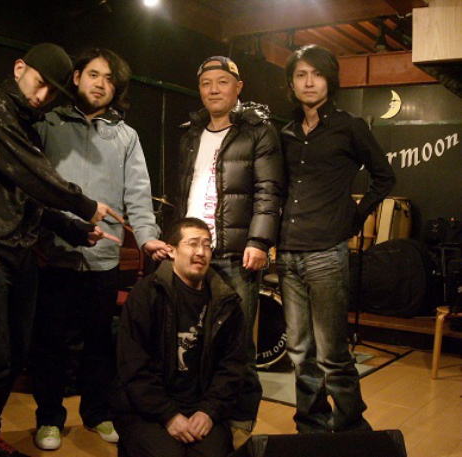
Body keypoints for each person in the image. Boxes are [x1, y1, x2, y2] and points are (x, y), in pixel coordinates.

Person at [0, 43, 122, 457]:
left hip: (17, 253)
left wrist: (75, 229)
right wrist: (84, 205)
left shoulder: (26, 121)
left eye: (51, 92)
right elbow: (32, 174)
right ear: (19, 68)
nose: (42, 96)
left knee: (13, 356)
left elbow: (25, 197)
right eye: (39, 83)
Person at [29, 47, 169, 450]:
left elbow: (138, 195)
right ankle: (49, 419)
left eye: (110, 79)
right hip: (54, 254)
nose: (101, 84)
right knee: (51, 343)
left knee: (100, 343)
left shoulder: (126, 136)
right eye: (94, 74)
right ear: (76, 77)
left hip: (104, 258)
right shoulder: (47, 124)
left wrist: (147, 237)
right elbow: (32, 186)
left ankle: (97, 413)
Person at [277, 44, 395, 433]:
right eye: (301, 75)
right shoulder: (286, 132)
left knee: (331, 353)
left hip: (326, 252)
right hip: (288, 251)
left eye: (317, 74)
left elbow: (385, 177)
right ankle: (310, 426)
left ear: (330, 80)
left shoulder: (349, 126)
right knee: (299, 351)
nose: (309, 82)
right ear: (291, 83)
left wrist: (354, 218)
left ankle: (350, 430)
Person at [176, 55, 284, 432]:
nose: (214, 90)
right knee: (192, 339)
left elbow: (269, 190)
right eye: (206, 83)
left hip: (236, 253)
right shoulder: (190, 133)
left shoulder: (258, 132)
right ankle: (202, 412)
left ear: (238, 88)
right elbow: (182, 191)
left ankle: (240, 419)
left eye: (222, 82)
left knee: (237, 343)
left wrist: (259, 241)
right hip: (192, 251)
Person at [112, 217, 260, 457]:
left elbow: (232, 367)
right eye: (192, 244)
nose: (201, 252)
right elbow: (132, 365)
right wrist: (168, 415)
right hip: (148, 408)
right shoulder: (146, 294)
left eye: (207, 245)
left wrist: (209, 411)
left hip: (201, 407)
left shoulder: (225, 301)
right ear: (171, 251)